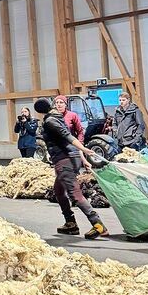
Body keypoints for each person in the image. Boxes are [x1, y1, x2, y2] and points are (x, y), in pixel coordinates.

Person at [34, 98, 108, 239]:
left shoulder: (50, 121)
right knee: (58, 191)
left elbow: (68, 136)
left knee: (74, 194)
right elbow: (68, 137)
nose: (59, 104)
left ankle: (98, 224)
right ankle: (70, 223)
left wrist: (84, 150)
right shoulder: (57, 117)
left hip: (64, 159)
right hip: (69, 158)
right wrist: (82, 157)